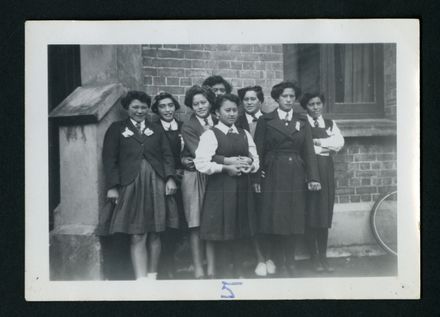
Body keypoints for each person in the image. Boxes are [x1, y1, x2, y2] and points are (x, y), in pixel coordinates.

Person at [102, 90, 177, 281]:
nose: (140, 111)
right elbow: (109, 159)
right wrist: (113, 186)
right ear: (127, 108)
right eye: (135, 107)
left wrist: (169, 178)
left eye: (143, 107)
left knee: (155, 233)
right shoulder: (116, 128)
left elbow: (167, 156)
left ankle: (152, 277)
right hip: (131, 185)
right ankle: (141, 280)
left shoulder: (156, 129)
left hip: (156, 183)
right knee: (137, 234)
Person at [254, 81, 321, 277]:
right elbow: (258, 151)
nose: (289, 100)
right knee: (277, 217)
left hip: (296, 174)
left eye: (292, 96)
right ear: (277, 98)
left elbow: (308, 150)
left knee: (294, 218)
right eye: (285, 96)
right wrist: (257, 178)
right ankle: (278, 261)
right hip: (274, 173)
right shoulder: (266, 121)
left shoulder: (302, 120)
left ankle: (290, 261)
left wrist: (313, 177)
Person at [195, 93, 259, 278]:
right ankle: (224, 275)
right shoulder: (210, 134)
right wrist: (225, 168)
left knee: (240, 230)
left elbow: (256, 160)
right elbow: (201, 163)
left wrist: (249, 164)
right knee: (223, 232)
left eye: (234, 110)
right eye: (227, 110)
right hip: (221, 189)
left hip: (242, 188)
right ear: (216, 112)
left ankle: (239, 272)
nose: (232, 114)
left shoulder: (244, 133)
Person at [300, 92, 344, 273]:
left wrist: (318, 142)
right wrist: (325, 144)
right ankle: (314, 258)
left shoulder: (330, 123)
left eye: (318, 103)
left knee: (324, 214)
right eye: (311, 104)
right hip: (310, 170)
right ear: (306, 107)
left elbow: (339, 143)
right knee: (312, 213)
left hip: (326, 170)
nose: (316, 107)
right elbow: (304, 147)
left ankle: (324, 258)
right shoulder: (302, 124)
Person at [180, 85, 217, 279]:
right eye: (196, 104)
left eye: (203, 102)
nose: (200, 106)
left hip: (216, 175)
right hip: (195, 177)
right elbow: (199, 154)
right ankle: (198, 268)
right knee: (195, 223)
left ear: (210, 102)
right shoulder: (189, 125)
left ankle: (212, 267)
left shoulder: (219, 120)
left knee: (211, 222)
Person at [150, 91, 187, 279]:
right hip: (164, 181)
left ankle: (179, 263)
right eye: (162, 106)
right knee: (165, 223)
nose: (167, 110)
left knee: (182, 221)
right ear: (157, 110)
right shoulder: (153, 128)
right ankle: (165, 267)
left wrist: (183, 168)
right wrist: (169, 175)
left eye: (170, 105)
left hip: (184, 180)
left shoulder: (183, 127)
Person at [236, 86, 267, 277]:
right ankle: (259, 258)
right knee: (251, 217)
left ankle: (270, 257)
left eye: (253, 99)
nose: (249, 102)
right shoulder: (236, 122)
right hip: (245, 176)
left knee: (268, 217)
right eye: (245, 99)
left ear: (260, 101)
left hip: (268, 176)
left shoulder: (270, 120)